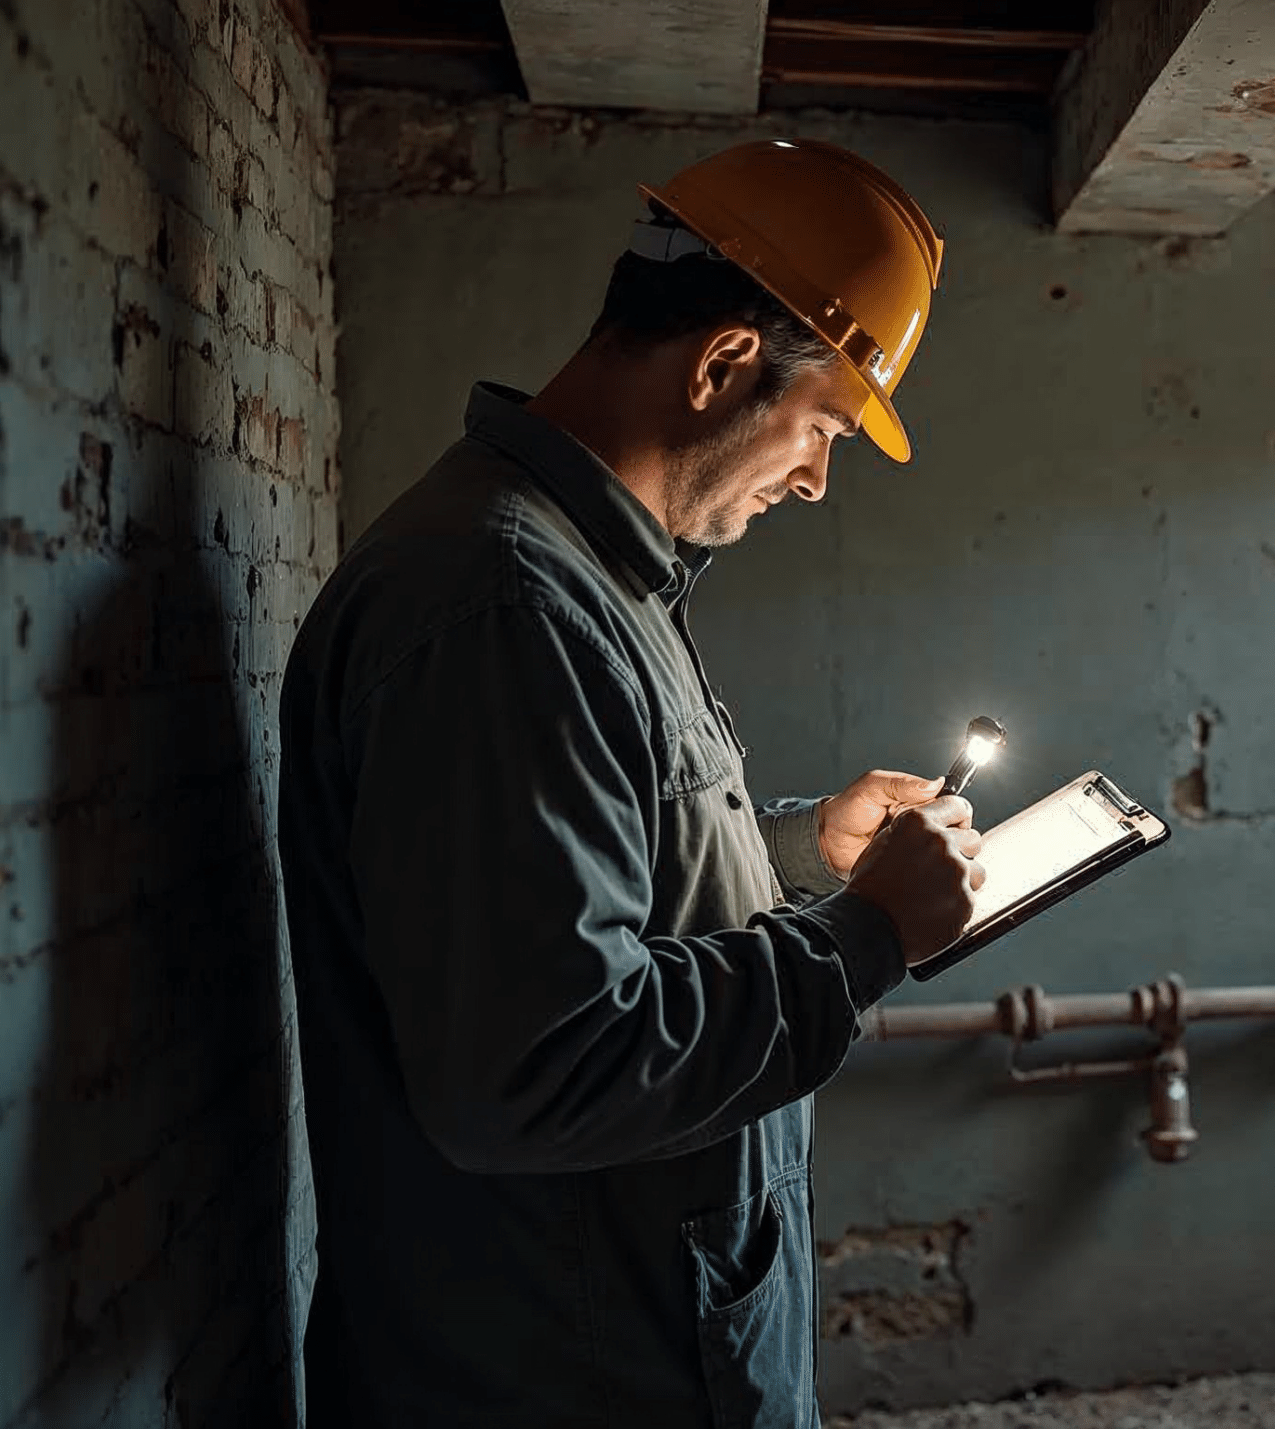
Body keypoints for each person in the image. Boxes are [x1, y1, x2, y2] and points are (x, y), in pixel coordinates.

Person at [279, 139, 977, 1428]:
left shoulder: (593, 580)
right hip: (569, 1373)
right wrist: (864, 939)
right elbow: (545, 1062)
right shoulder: (505, 609)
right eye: (822, 424)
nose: (819, 476)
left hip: (634, 1338)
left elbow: (595, 881)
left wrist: (793, 852)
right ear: (721, 364)